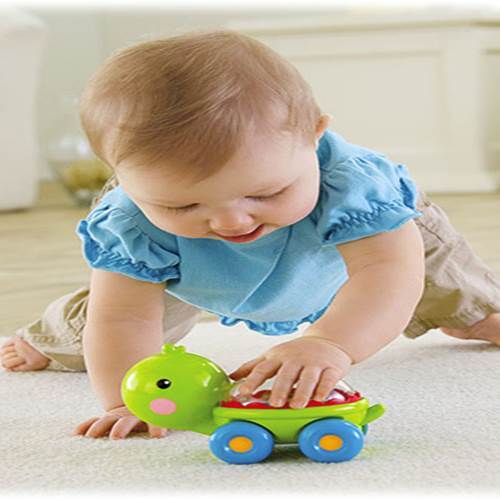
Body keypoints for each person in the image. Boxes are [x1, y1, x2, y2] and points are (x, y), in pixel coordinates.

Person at [2, 29, 500, 441]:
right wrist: (128, 400)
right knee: (103, 326)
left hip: (347, 246)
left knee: (436, 262)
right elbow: (123, 317)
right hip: (193, 270)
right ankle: (46, 337)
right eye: (182, 204)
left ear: (314, 136)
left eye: (265, 192)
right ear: (121, 177)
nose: (231, 223)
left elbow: (387, 273)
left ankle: (472, 313)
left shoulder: (355, 186)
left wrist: (330, 343)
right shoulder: (133, 223)